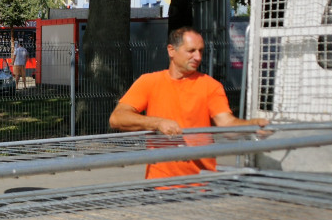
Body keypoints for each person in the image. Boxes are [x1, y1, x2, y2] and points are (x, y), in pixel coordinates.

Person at [109, 27, 268, 180]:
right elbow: (117, 118)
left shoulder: (211, 86)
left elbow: (227, 125)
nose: (198, 57)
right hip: (159, 184)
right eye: (191, 51)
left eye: (201, 51)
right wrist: (157, 123)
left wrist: (252, 125)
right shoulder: (149, 82)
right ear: (171, 50)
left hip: (201, 184)